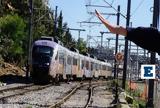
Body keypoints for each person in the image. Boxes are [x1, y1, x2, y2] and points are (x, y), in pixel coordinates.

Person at [95, 9, 160, 55]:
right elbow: (114, 29)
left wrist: (103, 20)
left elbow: (114, 29)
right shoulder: (152, 34)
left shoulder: (152, 33)